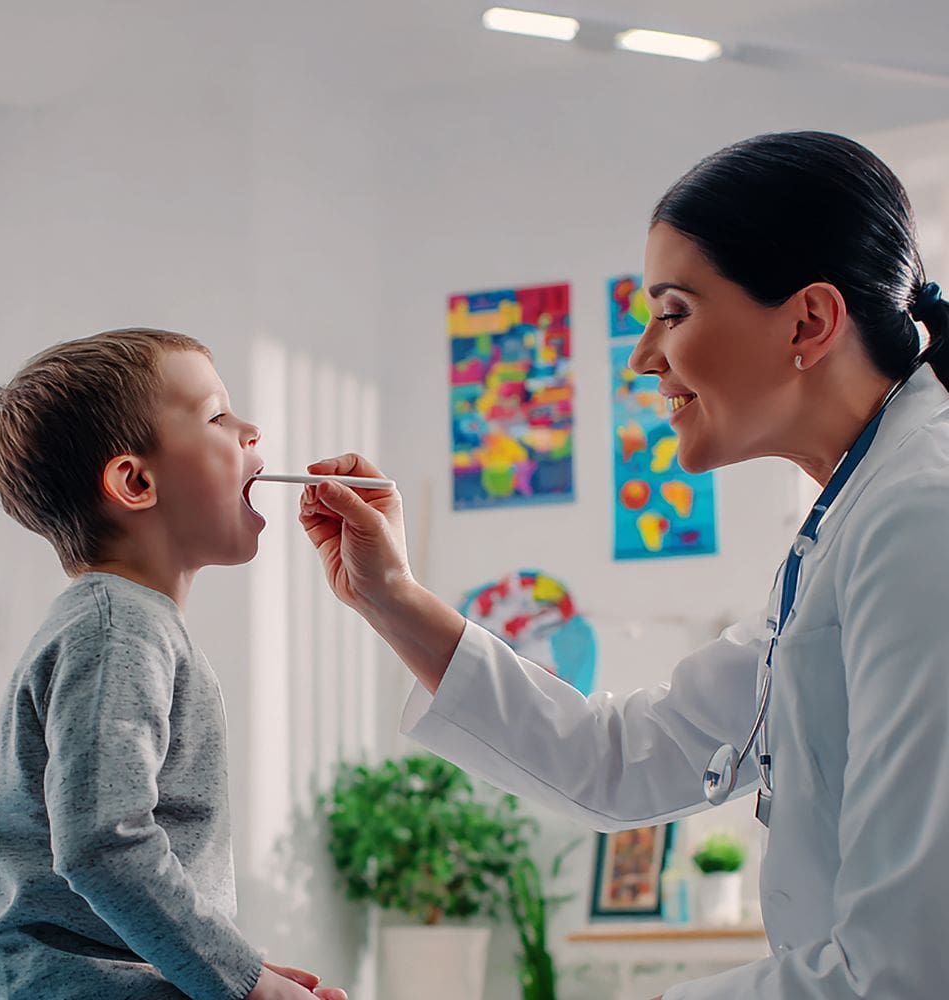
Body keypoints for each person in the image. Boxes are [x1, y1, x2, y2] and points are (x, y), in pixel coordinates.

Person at [298, 131, 949, 998]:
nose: (644, 356)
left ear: (809, 321)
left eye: (673, 312)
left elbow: (901, 973)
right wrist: (391, 598)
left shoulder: (918, 518)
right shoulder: (849, 525)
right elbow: (625, 758)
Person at [0, 329, 347, 1000]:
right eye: (217, 416)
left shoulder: (122, 625)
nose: (251, 429)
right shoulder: (119, 632)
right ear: (136, 481)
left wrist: (231, 965)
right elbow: (103, 846)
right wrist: (247, 984)